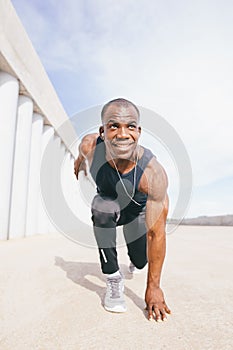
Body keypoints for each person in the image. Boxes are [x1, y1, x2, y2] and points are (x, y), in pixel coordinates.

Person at [74, 98, 171, 321]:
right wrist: (79, 161)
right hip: (109, 202)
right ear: (103, 131)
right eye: (114, 126)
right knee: (102, 208)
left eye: (130, 127)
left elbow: (157, 234)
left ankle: (135, 263)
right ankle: (113, 278)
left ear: (139, 131)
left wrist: (154, 287)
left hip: (136, 214)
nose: (123, 134)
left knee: (140, 261)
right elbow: (82, 150)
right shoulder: (89, 146)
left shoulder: (153, 174)